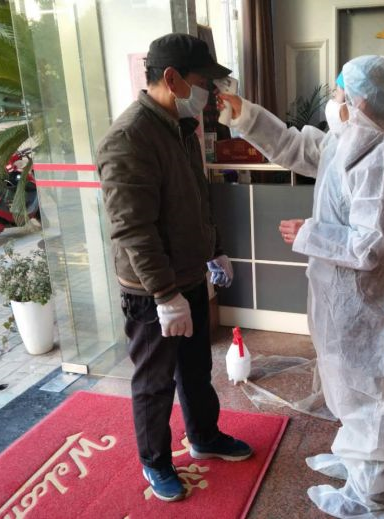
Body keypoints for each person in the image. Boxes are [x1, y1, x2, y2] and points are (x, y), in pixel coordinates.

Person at [219, 55, 384, 518]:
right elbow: (295, 147)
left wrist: (309, 233)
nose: (333, 101)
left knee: (367, 395)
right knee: (345, 384)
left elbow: (370, 245)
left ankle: (368, 495)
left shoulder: (379, 160)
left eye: (339, 94)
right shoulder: (347, 141)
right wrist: (245, 115)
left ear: (361, 102)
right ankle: (355, 462)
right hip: (340, 291)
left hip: (367, 298)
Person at [96, 33, 252, 503]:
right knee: (154, 382)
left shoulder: (181, 129)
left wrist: (215, 250)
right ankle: (155, 462)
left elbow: (198, 201)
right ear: (172, 78)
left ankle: (204, 436)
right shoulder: (128, 138)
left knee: (196, 369)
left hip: (189, 273)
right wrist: (164, 296)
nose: (210, 94)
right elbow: (132, 229)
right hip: (151, 290)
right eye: (203, 82)